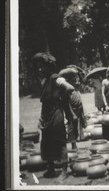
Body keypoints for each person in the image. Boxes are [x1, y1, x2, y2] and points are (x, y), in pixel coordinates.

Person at [32, 52, 75, 181]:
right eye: (39, 66)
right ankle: (50, 169)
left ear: (49, 67)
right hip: (46, 115)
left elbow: (70, 88)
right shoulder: (44, 80)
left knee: (60, 142)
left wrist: (61, 97)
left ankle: (63, 171)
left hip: (56, 115)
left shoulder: (55, 78)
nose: (40, 69)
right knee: (46, 142)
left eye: (42, 66)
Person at [59, 66, 87, 149]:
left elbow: (83, 80)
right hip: (72, 112)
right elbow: (67, 104)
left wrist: (79, 70)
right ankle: (73, 145)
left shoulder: (75, 87)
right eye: (74, 78)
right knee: (71, 127)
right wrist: (72, 114)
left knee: (76, 128)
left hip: (78, 110)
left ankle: (75, 143)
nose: (76, 80)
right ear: (69, 80)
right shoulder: (67, 90)